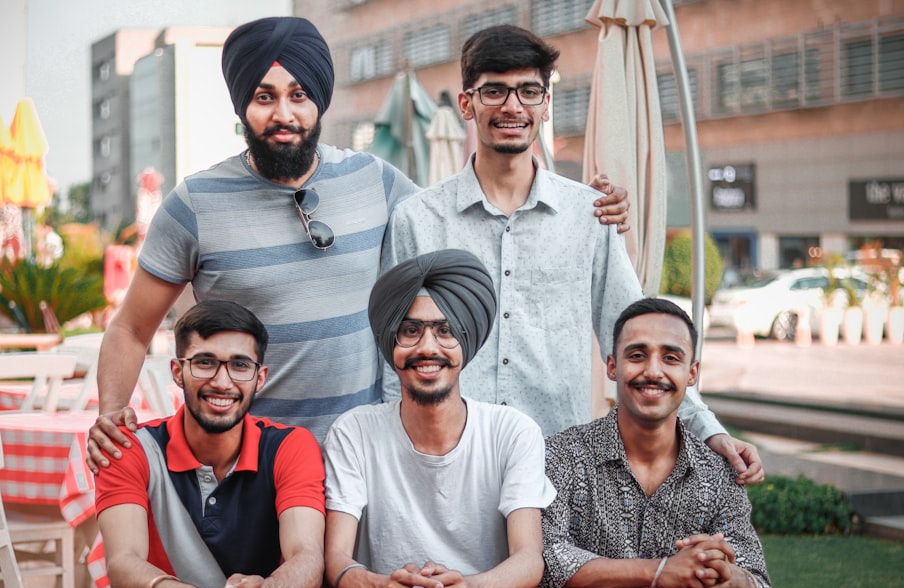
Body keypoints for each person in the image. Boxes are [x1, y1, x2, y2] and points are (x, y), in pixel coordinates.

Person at [86, 16, 629, 469]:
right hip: (245, 462)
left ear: (320, 101)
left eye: (299, 95)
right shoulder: (193, 204)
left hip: (365, 458)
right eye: (263, 96)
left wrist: (589, 206)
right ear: (241, 106)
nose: (284, 114)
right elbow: (132, 328)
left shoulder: (378, 182)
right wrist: (113, 408)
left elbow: (470, 215)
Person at [381, 24, 763, 484]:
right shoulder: (416, 219)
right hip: (443, 462)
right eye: (494, 91)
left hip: (555, 468)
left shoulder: (590, 216)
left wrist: (708, 430)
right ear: (467, 103)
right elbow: (391, 353)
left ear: (545, 104)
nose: (512, 106)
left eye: (528, 91)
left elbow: (638, 337)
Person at [323, 249, 556, 588]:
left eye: (445, 331)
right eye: (410, 331)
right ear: (391, 343)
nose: (428, 348)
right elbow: (335, 559)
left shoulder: (512, 431)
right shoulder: (354, 432)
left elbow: (529, 559)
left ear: (466, 342)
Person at [541, 297, 780, 588]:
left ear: (692, 372)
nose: (653, 371)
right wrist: (660, 571)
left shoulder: (719, 474)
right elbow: (546, 559)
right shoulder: (562, 455)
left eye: (671, 358)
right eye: (637, 355)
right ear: (612, 366)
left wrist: (732, 577)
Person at [94, 299, 326, 588]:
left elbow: (307, 556)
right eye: (205, 363)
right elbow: (122, 563)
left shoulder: (291, 447)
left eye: (240, 366)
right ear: (178, 371)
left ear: (260, 378)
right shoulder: (130, 448)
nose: (222, 381)